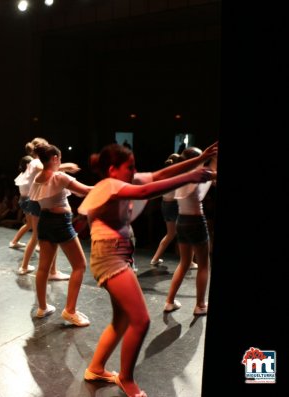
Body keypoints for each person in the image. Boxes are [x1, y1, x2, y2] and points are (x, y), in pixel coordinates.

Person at [77, 142, 216, 397]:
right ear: (113, 169)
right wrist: (192, 175)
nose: (135, 171)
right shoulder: (111, 185)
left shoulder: (123, 180)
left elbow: (162, 175)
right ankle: (127, 380)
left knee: (121, 320)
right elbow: (146, 192)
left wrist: (199, 160)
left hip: (118, 254)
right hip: (110, 258)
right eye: (129, 167)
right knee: (140, 320)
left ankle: (96, 368)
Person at [28, 144, 93, 326]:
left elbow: (73, 192)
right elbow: (87, 190)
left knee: (43, 268)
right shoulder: (59, 177)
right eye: (60, 158)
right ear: (55, 158)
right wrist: (110, 186)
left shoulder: (38, 178)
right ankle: (70, 311)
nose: (61, 162)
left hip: (45, 222)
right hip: (61, 224)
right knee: (79, 265)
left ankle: (42, 307)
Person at [163, 146, 216, 316]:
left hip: (181, 221)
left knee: (184, 263)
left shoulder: (181, 174)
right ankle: (200, 305)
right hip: (195, 221)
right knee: (203, 264)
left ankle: (169, 302)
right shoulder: (200, 173)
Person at [15, 137, 73, 279]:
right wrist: (66, 167)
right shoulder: (36, 162)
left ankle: (33, 268)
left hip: (38, 201)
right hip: (39, 202)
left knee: (40, 237)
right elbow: (47, 168)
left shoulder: (34, 162)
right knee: (43, 237)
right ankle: (49, 271)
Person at [148, 153, 181, 267]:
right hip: (173, 205)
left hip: (165, 205)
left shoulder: (165, 174)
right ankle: (188, 261)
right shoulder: (177, 175)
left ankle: (155, 259)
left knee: (171, 233)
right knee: (181, 234)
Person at [9, 155, 33, 249]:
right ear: (27, 165)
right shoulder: (28, 174)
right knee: (34, 225)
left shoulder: (23, 174)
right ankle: (38, 245)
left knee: (30, 224)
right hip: (28, 201)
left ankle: (14, 241)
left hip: (25, 201)